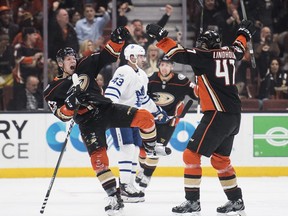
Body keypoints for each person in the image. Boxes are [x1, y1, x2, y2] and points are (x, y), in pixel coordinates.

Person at [43, 27, 167, 216]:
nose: (73, 60)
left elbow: (107, 55)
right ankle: (113, 197)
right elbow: (62, 115)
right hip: (87, 121)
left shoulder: (85, 65)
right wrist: (70, 105)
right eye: (68, 59)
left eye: (73, 57)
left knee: (145, 117)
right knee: (99, 161)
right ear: (60, 63)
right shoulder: (52, 89)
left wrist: (116, 41)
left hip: (106, 109)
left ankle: (150, 147)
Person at [146, 19, 256, 215]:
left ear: (207, 46)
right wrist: (244, 33)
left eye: (201, 44)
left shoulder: (205, 56)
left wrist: (161, 37)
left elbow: (178, 54)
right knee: (221, 160)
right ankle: (236, 200)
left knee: (190, 154)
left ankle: (192, 201)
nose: (199, 47)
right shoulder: (231, 52)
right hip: (233, 115)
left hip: (217, 112)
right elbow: (239, 47)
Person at [105, 44, 170, 203]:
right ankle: (125, 186)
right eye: (140, 56)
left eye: (142, 56)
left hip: (134, 116)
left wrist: (157, 111)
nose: (143, 59)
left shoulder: (142, 74)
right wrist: (108, 112)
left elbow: (144, 99)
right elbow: (111, 94)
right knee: (127, 148)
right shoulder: (123, 71)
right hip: (120, 116)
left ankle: (129, 184)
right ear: (131, 57)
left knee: (134, 149)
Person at [135, 55, 197, 192]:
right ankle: (142, 168)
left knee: (157, 148)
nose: (165, 68)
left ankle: (147, 175)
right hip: (149, 120)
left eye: (168, 65)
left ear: (172, 67)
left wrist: (201, 85)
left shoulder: (181, 81)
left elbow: (196, 94)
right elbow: (140, 97)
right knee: (143, 149)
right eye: (162, 65)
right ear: (159, 66)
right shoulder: (150, 80)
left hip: (169, 121)